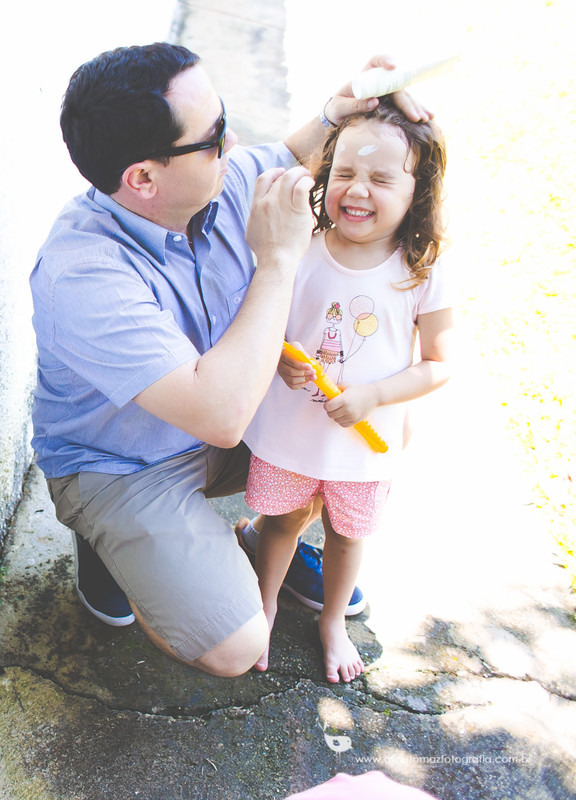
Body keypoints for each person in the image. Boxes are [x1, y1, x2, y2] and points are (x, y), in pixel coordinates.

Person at [30, 42, 431, 677]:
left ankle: (261, 537)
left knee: (349, 446)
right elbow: (218, 417)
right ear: (143, 177)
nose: (234, 140)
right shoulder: (83, 273)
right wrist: (277, 260)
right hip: (124, 465)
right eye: (214, 135)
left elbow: (286, 156)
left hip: (215, 421)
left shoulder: (210, 183)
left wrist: (343, 108)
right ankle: (114, 543)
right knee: (235, 647)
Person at [238, 97, 453, 682]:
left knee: (345, 535)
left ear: (418, 191)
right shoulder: (301, 249)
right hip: (291, 430)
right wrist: (279, 360)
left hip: (363, 443)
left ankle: (332, 619)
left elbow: (439, 363)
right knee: (281, 522)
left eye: (381, 178)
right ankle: (265, 605)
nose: (358, 190)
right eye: (345, 174)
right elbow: (270, 324)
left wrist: (375, 396)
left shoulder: (420, 269)